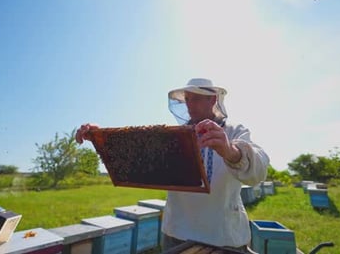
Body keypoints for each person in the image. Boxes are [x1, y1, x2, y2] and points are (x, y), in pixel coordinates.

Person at [75, 78, 269, 253]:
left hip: (223, 236)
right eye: (187, 99)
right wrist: (100, 138)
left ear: (212, 100)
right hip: (176, 232)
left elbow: (258, 172)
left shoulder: (235, 131)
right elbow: (135, 155)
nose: (189, 105)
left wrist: (231, 152)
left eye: (196, 99)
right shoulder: (174, 136)